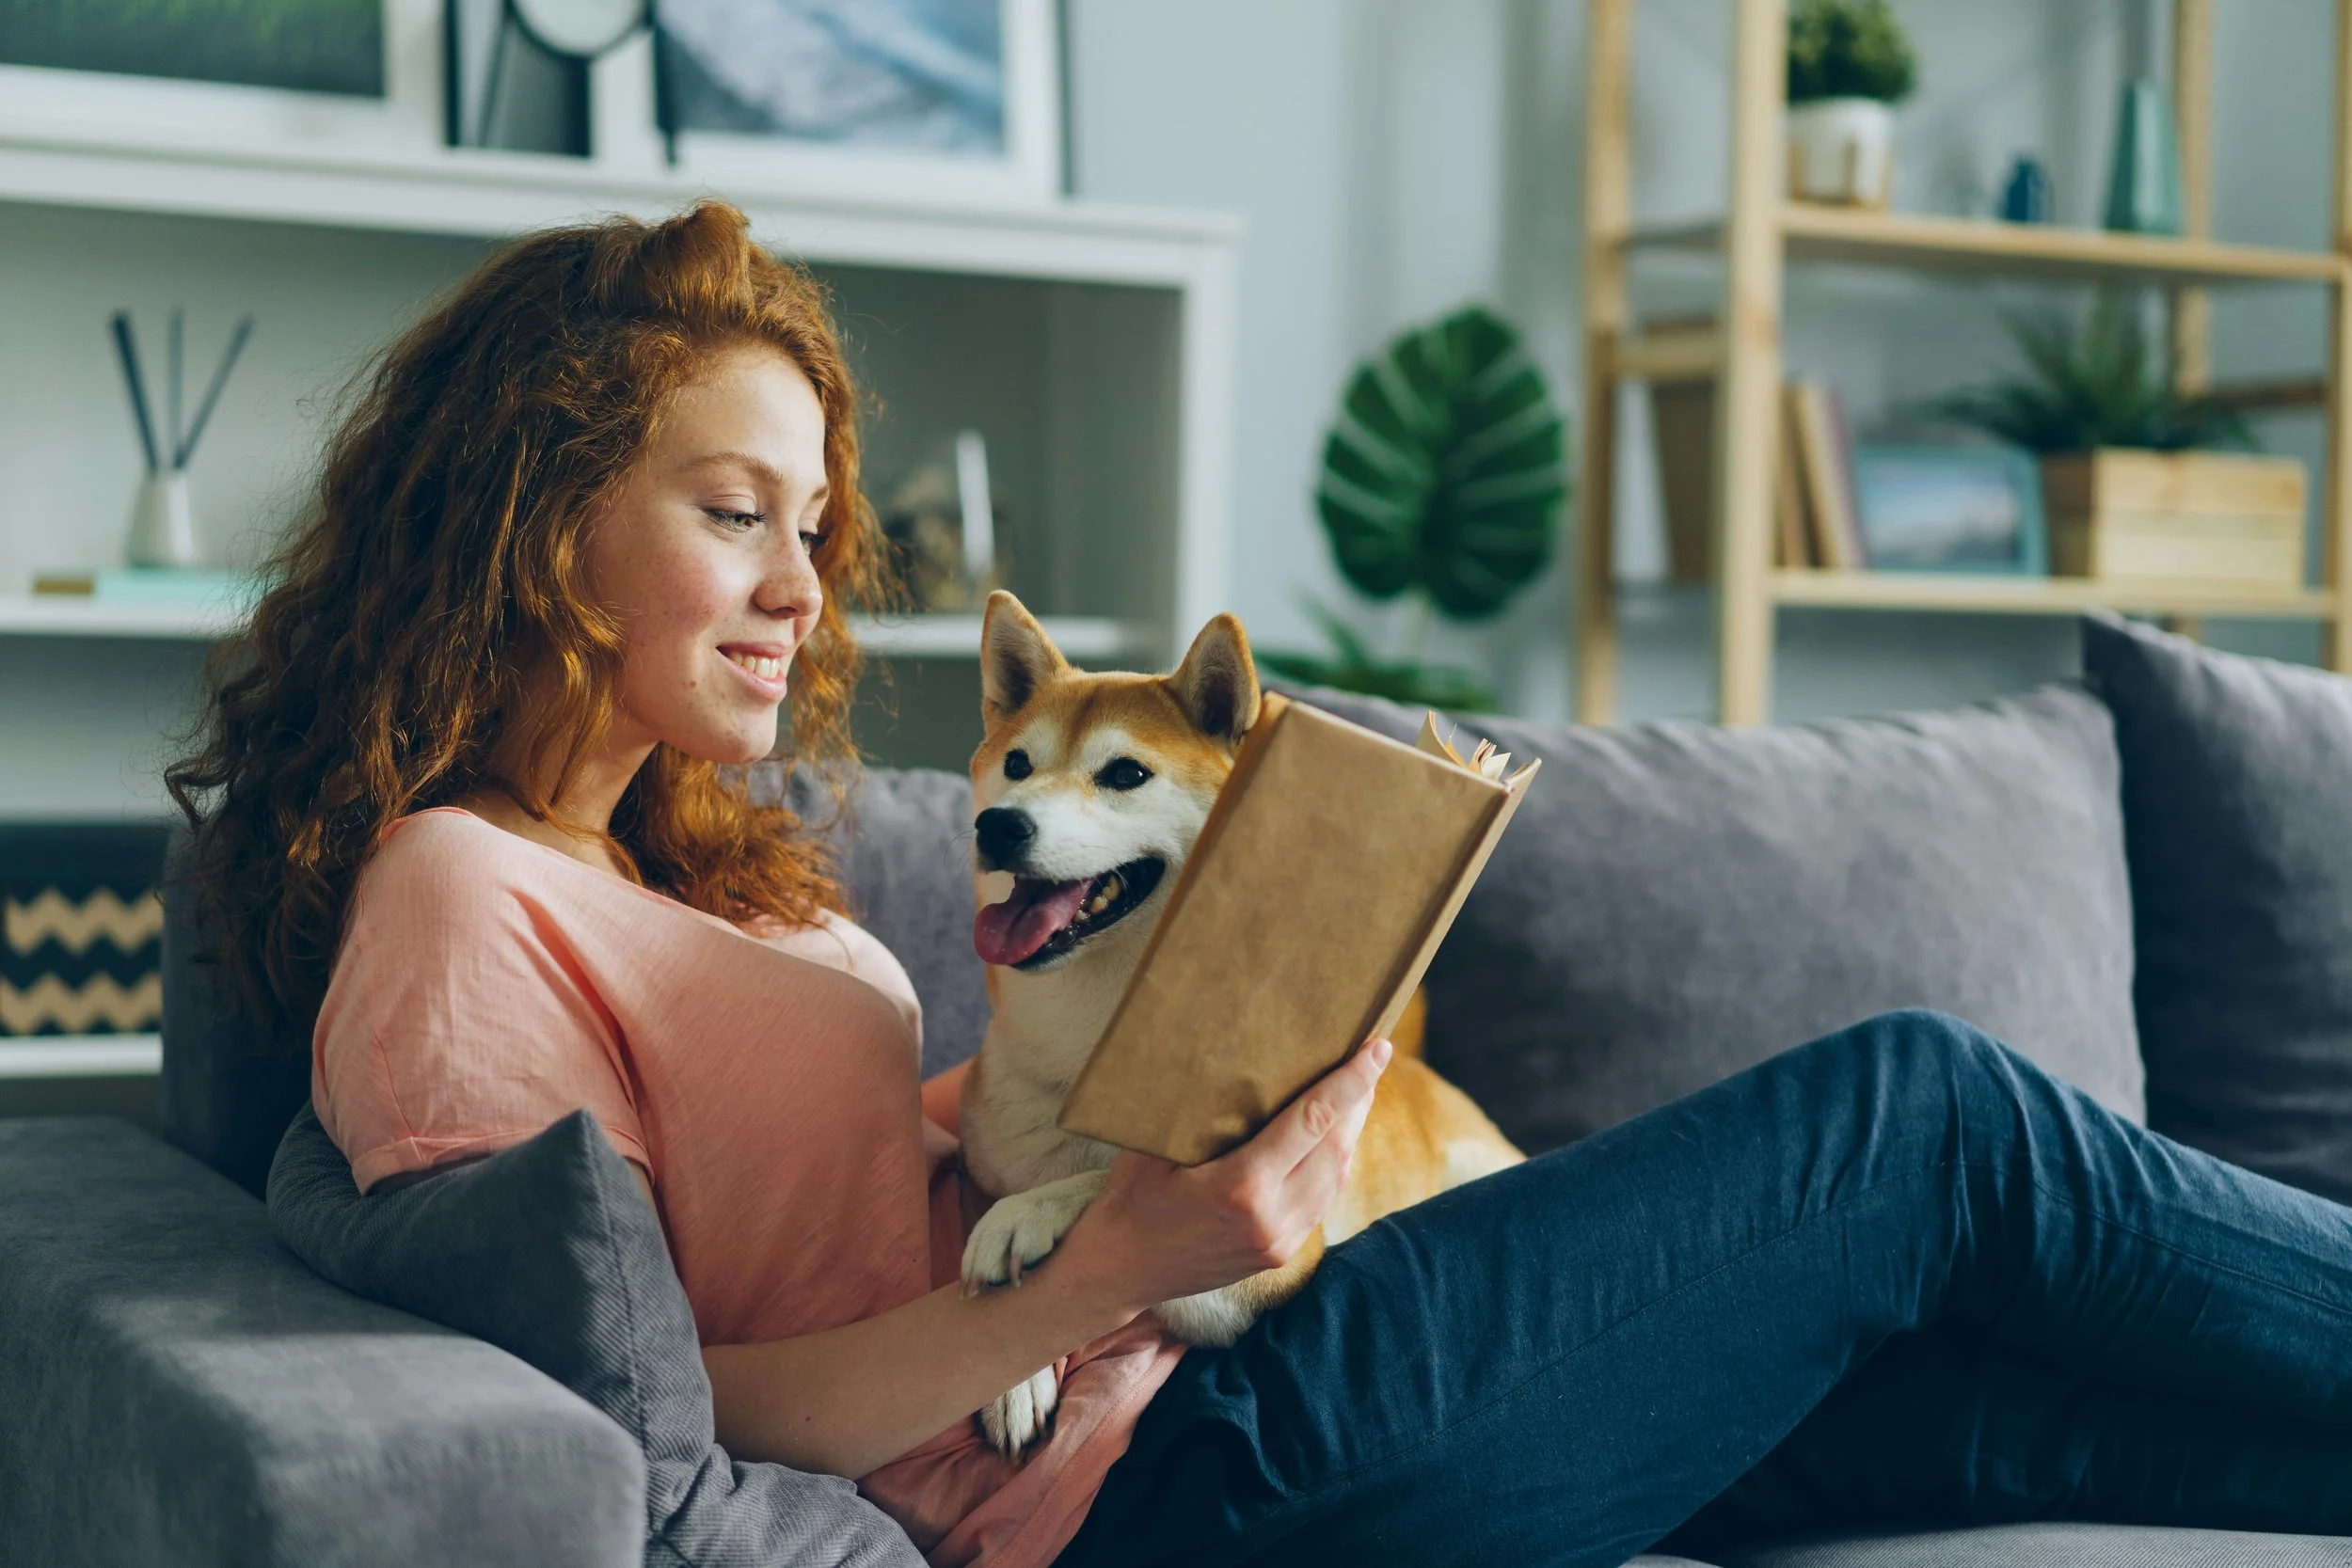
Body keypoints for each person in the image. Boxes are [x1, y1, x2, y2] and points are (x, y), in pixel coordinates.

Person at [169, 202, 2352, 1568]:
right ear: (542, 525)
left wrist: (1176, 1064)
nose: (797, 583)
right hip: (1167, 1481)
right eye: (735, 511)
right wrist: (1088, 1266)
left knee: (1981, 1404)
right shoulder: (461, 905)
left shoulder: (677, 864)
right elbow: (631, 1407)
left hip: (1182, 1362)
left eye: (813, 526)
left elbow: (825, 1209)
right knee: (1923, 1122)